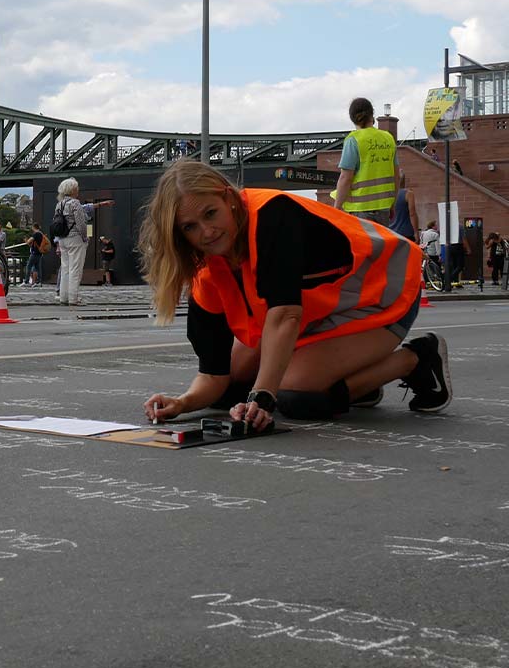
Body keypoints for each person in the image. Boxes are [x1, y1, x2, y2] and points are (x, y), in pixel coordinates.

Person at [138, 160, 451, 430]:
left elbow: (285, 315)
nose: (206, 232)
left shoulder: (273, 216)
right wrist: (182, 402)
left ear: (228, 198)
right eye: (190, 227)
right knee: (230, 388)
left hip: (382, 296)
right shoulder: (207, 272)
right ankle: (353, 375)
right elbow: (213, 377)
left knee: (295, 396)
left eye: (210, 214)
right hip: (322, 313)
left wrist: (262, 396)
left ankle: (417, 359)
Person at [333, 97, 398, 224]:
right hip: (383, 209)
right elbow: (396, 176)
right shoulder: (388, 139)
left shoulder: (353, 140)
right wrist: (392, 204)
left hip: (359, 209)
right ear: (372, 114)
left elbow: (346, 178)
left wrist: (337, 208)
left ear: (352, 118)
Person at [53, 178, 90, 305]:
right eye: (77, 188)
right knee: (75, 269)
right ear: (73, 189)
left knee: (65, 269)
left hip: (63, 239)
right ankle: (73, 298)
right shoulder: (75, 203)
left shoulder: (60, 204)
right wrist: (85, 238)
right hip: (75, 239)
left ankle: (63, 297)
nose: (78, 190)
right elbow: (81, 223)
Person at [388, 172, 419, 242]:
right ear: (404, 181)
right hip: (406, 234)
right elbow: (412, 214)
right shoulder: (408, 194)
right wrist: (416, 232)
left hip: (391, 233)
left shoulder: (388, 194)